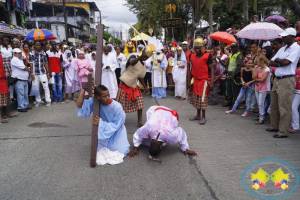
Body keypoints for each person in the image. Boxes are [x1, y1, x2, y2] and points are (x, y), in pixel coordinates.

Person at [77, 84, 130, 157]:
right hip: (103, 131)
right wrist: (83, 91)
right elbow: (79, 105)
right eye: (104, 96)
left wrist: (101, 123)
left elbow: (117, 125)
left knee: (121, 152)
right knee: (101, 151)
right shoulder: (96, 103)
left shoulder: (117, 107)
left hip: (117, 131)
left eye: (108, 95)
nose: (107, 98)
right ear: (98, 97)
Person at [127, 106, 198, 158]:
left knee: (143, 139)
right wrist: (135, 148)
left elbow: (181, 132)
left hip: (164, 111)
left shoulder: (171, 136)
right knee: (147, 128)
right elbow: (138, 134)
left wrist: (186, 148)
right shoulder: (148, 128)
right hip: (155, 110)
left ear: (161, 147)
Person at [268, 28, 300, 138]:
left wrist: (279, 61)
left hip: (287, 79)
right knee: (274, 105)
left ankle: (283, 131)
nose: (283, 38)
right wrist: (280, 62)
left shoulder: (296, 48)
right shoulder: (282, 49)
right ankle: (274, 126)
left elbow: (287, 62)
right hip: (277, 79)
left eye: (285, 36)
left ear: (292, 36)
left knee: (284, 107)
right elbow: (271, 61)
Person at [118, 47, 151, 127]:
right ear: (142, 54)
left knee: (140, 102)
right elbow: (132, 63)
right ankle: (118, 121)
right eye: (145, 56)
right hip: (125, 84)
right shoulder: (133, 57)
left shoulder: (142, 64)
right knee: (121, 106)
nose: (145, 58)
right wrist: (140, 57)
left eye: (147, 57)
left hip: (133, 85)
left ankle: (139, 122)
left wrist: (145, 87)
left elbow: (139, 77)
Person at [189, 38, 214, 125]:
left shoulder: (207, 56)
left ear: (203, 48)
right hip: (196, 81)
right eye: (196, 48)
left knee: (202, 99)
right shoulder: (192, 57)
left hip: (204, 81)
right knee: (197, 98)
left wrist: (211, 82)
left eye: (199, 48)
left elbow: (211, 69)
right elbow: (192, 69)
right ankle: (198, 115)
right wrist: (189, 82)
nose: (197, 50)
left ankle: (203, 116)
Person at [29, 41, 51, 107]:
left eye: (39, 45)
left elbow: (46, 63)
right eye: (37, 45)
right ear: (34, 46)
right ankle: (38, 101)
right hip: (35, 74)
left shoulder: (43, 53)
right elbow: (31, 64)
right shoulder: (31, 53)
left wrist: (48, 72)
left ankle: (48, 100)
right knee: (36, 87)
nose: (38, 46)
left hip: (42, 73)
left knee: (45, 86)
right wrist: (32, 74)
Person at [222, 43, 244, 109]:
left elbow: (239, 66)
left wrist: (233, 74)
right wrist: (224, 72)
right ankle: (229, 102)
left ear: (236, 48)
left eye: (233, 47)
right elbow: (228, 65)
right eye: (231, 48)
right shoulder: (231, 55)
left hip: (235, 75)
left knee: (235, 91)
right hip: (229, 75)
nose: (231, 49)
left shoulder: (239, 55)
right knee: (229, 90)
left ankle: (235, 104)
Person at [11, 48, 31, 112]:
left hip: (23, 79)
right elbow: (23, 68)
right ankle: (20, 107)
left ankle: (25, 105)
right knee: (21, 94)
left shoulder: (19, 59)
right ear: (14, 54)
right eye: (18, 53)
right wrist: (29, 69)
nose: (20, 54)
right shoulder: (14, 60)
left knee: (25, 93)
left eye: (20, 53)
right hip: (19, 79)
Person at [252, 56, 271, 125]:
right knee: (259, 102)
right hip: (257, 87)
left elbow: (263, 79)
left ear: (262, 62)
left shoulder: (267, 70)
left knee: (261, 103)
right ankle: (260, 115)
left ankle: (262, 117)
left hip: (264, 88)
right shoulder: (258, 68)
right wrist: (255, 69)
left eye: (258, 62)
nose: (257, 63)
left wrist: (255, 80)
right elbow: (254, 77)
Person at [0, 54, 18, 123]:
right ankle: (0, 118)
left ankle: (6, 114)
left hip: (2, 78)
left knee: (4, 96)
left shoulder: (1, 56)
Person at [0, 35, 14, 101]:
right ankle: (7, 96)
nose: (6, 42)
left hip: (10, 64)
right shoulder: (0, 48)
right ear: (1, 41)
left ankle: (11, 96)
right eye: (4, 40)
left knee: (11, 80)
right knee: (6, 81)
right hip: (4, 65)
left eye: (7, 40)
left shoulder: (10, 48)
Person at [290, 64, 300, 133]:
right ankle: (292, 124)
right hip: (293, 89)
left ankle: (296, 127)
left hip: (299, 90)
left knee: (294, 107)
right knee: (291, 107)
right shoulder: (295, 68)